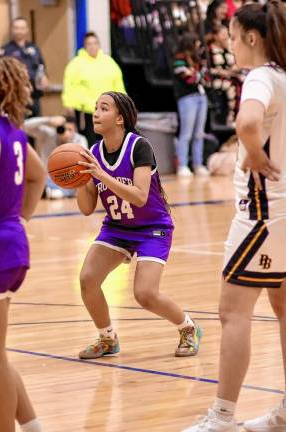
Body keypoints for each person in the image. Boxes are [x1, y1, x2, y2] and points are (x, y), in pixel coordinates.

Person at [181, 1, 286, 431]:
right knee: (282, 308)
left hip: (262, 216)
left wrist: (255, 155)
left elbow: (246, 122)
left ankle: (221, 418)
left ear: (251, 37)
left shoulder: (261, 77)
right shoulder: (283, 75)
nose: (227, 41)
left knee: (233, 313)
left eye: (231, 33)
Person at [75, 91, 202, 359]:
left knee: (145, 293)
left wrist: (101, 174)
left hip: (152, 226)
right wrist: (77, 179)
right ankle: (107, 339)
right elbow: (87, 209)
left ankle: (188, 328)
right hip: (118, 227)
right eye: (96, 107)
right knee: (87, 279)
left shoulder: (139, 146)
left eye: (104, 108)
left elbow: (140, 196)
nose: (96, 113)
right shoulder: (94, 152)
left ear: (120, 118)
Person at [0, 48, 46, 431]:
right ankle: (33, 427)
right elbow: (37, 176)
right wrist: (16, 219)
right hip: (9, 241)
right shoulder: (8, 127)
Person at [62, 32, 126, 148]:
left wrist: (123, 103)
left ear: (99, 45)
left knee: (108, 140)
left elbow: (118, 84)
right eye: (89, 44)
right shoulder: (76, 64)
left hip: (107, 111)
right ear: (85, 46)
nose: (92, 46)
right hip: (86, 111)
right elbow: (69, 85)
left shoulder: (109, 63)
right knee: (89, 142)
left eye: (95, 43)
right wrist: (68, 104)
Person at [23, 115, 88, 199]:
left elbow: (83, 165)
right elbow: (24, 126)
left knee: (76, 185)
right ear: (58, 129)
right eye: (64, 129)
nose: (67, 133)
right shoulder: (48, 134)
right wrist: (48, 120)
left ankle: (51, 192)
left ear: (75, 130)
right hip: (47, 179)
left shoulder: (80, 140)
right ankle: (49, 192)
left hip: (69, 180)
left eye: (70, 130)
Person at [173, 33, 210, 177]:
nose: (199, 46)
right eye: (196, 43)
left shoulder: (198, 59)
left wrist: (197, 74)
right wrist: (198, 74)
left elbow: (205, 78)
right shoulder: (179, 59)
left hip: (201, 96)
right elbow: (189, 78)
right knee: (186, 133)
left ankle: (198, 164)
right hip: (188, 98)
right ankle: (182, 165)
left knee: (199, 134)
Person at [0, 16, 48, 118]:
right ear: (12, 29)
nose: (19, 31)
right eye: (16, 28)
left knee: (36, 128)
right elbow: (2, 74)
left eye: (22, 28)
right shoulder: (6, 50)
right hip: (16, 97)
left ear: (27, 30)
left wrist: (44, 77)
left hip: (34, 96)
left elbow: (41, 66)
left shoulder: (33, 48)